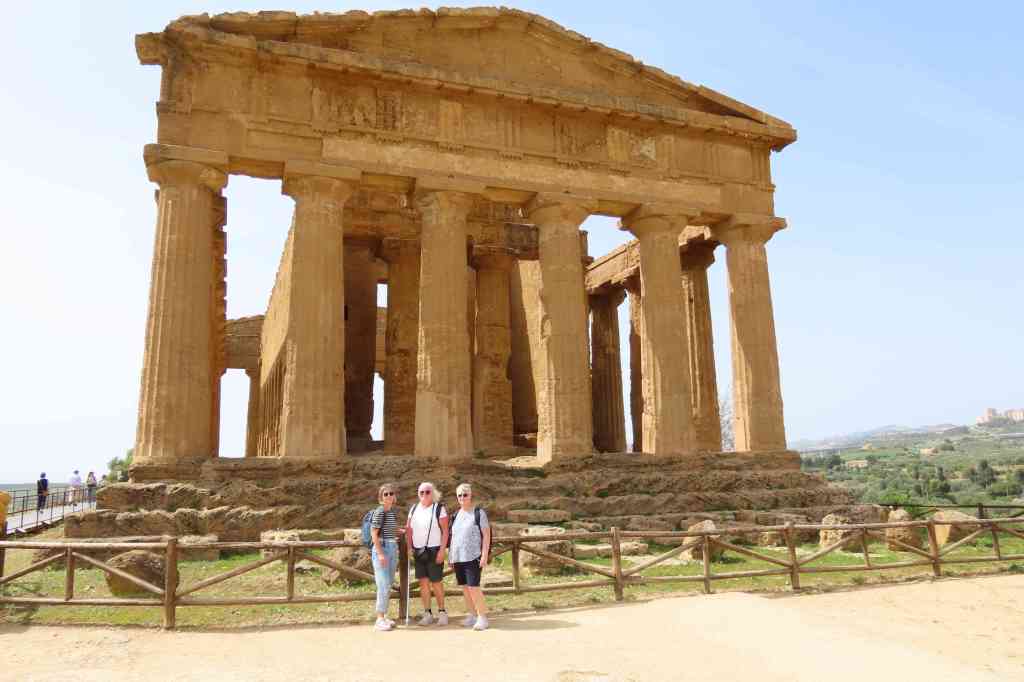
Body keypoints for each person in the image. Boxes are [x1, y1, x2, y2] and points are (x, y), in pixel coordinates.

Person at [448, 483, 491, 631]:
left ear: (470, 495)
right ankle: (472, 615)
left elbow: (486, 535)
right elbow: (453, 537)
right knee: (465, 588)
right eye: (459, 495)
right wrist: (451, 556)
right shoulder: (456, 515)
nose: (462, 497)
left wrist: (484, 555)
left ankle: (482, 617)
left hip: (473, 556)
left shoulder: (479, 513)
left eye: (465, 494)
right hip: (458, 557)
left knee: (474, 587)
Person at [405, 481, 449, 625]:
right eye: (421, 492)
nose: (424, 494)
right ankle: (427, 613)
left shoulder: (439, 508)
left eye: (427, 492)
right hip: (419, 551)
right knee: (423, 583)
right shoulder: (414, 509)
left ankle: (442, 612)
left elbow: (445, 531)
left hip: (434, 550)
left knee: (436, 582)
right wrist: (409, 547)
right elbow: (409, 530)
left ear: (433, 493)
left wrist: (442, 550)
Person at [370, 483, 400, 631]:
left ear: (394, 496)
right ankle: (379, 618)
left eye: (391, 493)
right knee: (383, 584)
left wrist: (402, 531)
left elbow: (390, 531)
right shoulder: (380, 511)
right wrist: (381, 553)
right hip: (383, 548)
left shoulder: (391, 512)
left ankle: (384, 615)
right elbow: (373, 533)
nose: (389, 496)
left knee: (388, 583)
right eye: (385, 494)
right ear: (381, 497)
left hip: (392, 547)